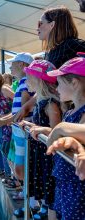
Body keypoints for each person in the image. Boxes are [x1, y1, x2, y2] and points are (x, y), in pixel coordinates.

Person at [30, 57, 85, 219]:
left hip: (76, 186)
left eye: (60, 83)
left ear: (74, 84)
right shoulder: (70, 112)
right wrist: (47, 130)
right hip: (63, 180)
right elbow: (69, 134)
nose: (56, 88)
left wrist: (59, 128)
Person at [16, 60, 62, 220]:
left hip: (47, 155)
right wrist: (30, 125)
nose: (26, 81)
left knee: (47, 182)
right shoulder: (41, 102)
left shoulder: (50, 105)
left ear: (38, 80)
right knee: (41, 181)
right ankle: (42, 207)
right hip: (39, 153)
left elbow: (57, 132)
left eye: (28, 77)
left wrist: (40, 129)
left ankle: (46, 210)